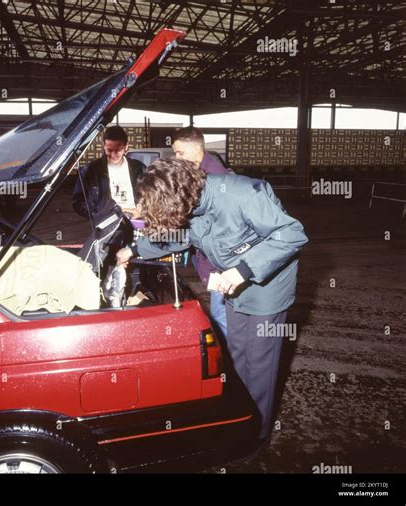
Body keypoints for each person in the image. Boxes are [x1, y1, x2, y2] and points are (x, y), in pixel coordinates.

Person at [117, 158, 308, 445]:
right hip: (233, 285)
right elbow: (179, 237)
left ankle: (256, 434)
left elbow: (292, 234)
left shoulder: (244, 193)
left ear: (176, 197)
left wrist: (243, 270)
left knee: (259, 365)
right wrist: (133, 249)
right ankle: (242, 416)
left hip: (266, 287)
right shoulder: (192, 202)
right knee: (236, 355)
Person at [172, 126, 229, 336]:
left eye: (180, 153)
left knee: (220, 316)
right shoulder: (199, 171)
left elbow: (208, 226)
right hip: (209, 258)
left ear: (196, 149)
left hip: (221, 262)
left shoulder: (213, 178)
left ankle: (230, 364)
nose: (177, 158)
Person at [72, 125, 145, 223]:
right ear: (104, 145)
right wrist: (100, 214)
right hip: (107, 223)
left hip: (136, 220)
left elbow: (152, 194)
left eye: (118, 150)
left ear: (126, 146)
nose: (113, 155)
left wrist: (143, 210)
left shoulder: (139, 168)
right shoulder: (90, 170)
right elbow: (78, 202)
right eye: (109, 150)